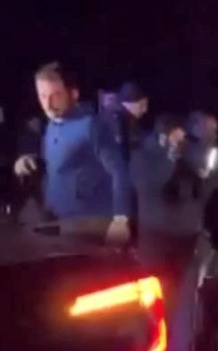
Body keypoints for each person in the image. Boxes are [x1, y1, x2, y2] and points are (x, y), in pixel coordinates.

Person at [12, 62, 132, 244]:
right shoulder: (52, 126)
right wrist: (27, 160)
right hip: (56, 221)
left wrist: (121, 220)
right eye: (42, 96)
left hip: (89, 225)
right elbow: (61, 167)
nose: (48, 104)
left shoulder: (91, 125)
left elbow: (119, 172)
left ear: (73, 94)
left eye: (56, 96)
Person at [129, 114, 206, 351]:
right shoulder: (143, 156)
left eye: (180, 137)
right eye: (172, 137)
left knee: (177, 310)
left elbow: (204, 181)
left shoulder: (187, 157)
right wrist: (170, 157)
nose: (178, 142)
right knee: (151, 306)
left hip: (184, 242)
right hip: (156, 241)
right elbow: (151, 185)